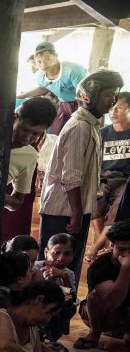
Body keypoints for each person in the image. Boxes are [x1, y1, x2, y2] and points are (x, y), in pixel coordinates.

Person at [40, 71, 124, 282]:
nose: (112, 101)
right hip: (64, 211)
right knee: (54, 268)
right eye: (107, 95)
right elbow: (71, 176)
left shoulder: (92, 125)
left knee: (69, 270)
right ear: (89, 96)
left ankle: (63, 308)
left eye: (115, 95)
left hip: (75, 209)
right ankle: (51, 310)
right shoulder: (80, 127)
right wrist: (76, 213)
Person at [2, 97, 56, 240]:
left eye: (36, 134)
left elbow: (17, 202)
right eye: (24, 130)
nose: (26, 138)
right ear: (15, 118)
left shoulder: (29, 155)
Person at [79, 219, 130, 350]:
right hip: (107, 316)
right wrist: (126, 269)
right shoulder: (99, 267)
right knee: (95, 296)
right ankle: (94, 334)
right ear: (111, 245)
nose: (127, 255)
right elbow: (114, 301)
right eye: (122, 249)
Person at [16, 41, 88, 132]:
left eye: (48, 59)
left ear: (56, 56)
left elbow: (84, 93)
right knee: (56, 132)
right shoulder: (39, 76)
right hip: (63, 104)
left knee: (79, 131)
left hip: (82, 103)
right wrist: (22, 96)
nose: (43, 64)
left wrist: (83, 111)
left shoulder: (73, 70)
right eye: (39, 61)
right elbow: (43, 88)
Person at [94, 92, 130, 243]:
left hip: (125, 180)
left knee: (119, 205)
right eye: (111, 108)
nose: (113, 112)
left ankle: (96, 247)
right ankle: (104, 242)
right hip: (103, 177)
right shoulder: (101, 133)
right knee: (94, 202)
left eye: (119, 108)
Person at [36, 232, 78, 341]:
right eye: (56, 252)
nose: (61, 258)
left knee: (70, 306)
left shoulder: (68, 274)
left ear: (73, 255)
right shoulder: (35, 268)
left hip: (53, 311)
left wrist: (64, 277)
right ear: (46, 252)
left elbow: (70, 297)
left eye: (67, 254)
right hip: (34, 307)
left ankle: (51, 338)